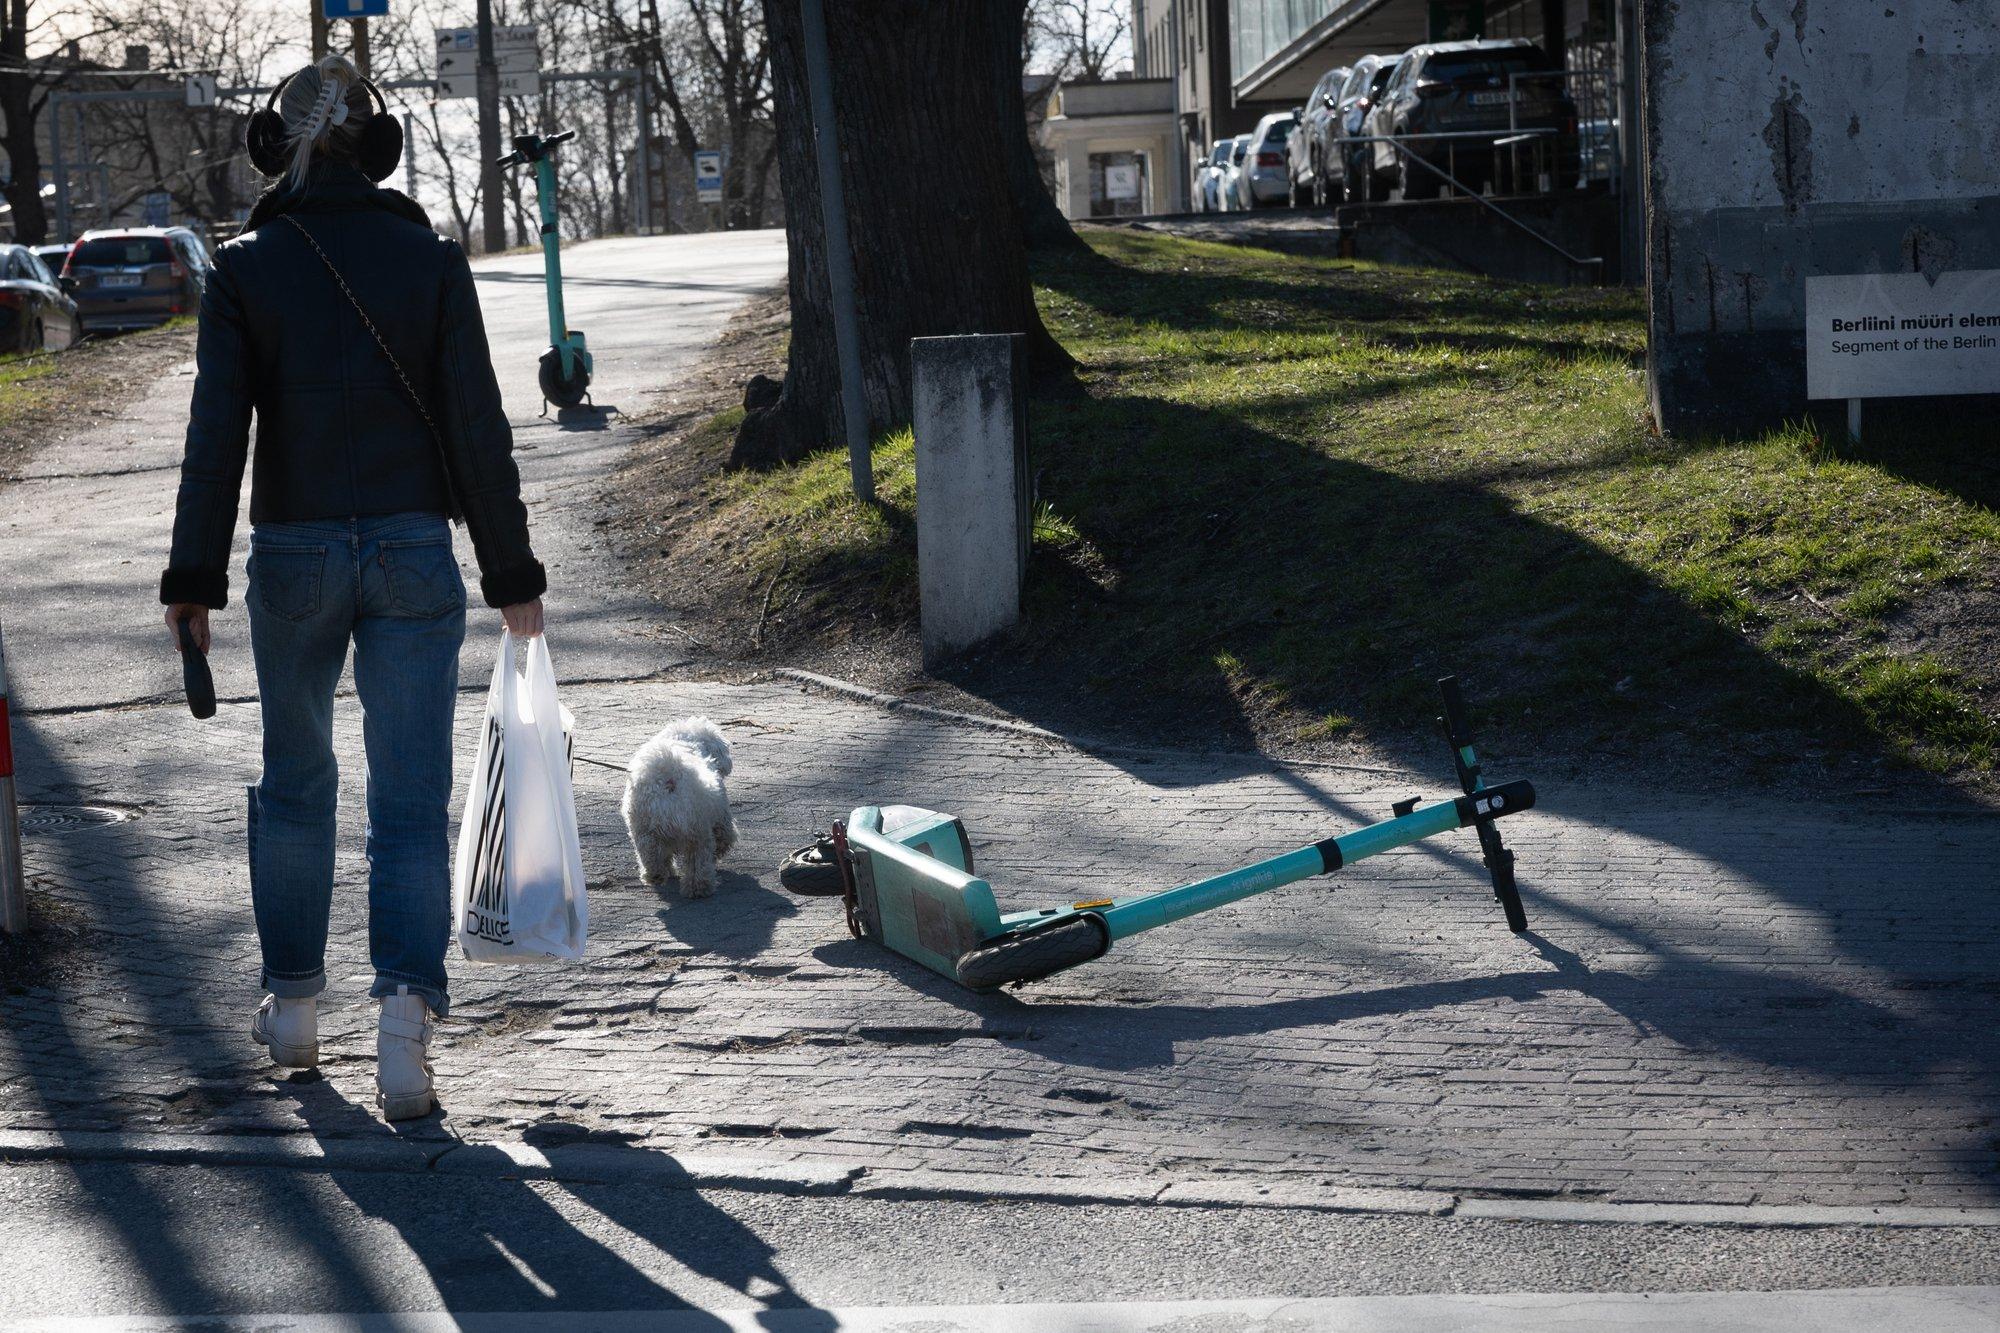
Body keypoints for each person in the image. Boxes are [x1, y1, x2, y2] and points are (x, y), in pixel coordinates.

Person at [159, 55, 545, 1121]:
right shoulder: (429, 258)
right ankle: (404, 1038)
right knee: (410, 799)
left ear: (272, 151)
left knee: (295, 783)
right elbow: (478, 428)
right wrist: (512, 575)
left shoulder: (246, 269)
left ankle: (291, 1010)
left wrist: (192, 576)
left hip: (294, 557)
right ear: (376, 149)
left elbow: (214, 444)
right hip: (416, 555)